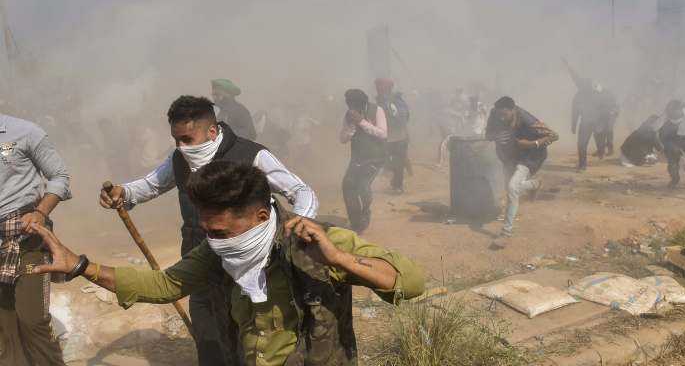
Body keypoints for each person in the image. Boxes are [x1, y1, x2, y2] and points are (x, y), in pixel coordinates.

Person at [28, 160, 425, 366]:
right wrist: (82, 265)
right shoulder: (216, 254)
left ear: (260, 217)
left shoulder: (314, 241)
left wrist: (338, 259)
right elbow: (164, 286)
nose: (212, 241)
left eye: (221, 231)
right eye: (206, 231)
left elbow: (409, 281)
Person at [99, 96, 318, 366]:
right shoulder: (180, 159)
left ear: (212, 131)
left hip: (247, 259)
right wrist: (126, 192)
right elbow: (153, 184)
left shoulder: (250, 155)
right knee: (208, 329)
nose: (181, 146)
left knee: (249, 329)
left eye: (188, 139)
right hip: (200, 254)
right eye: (176, 139)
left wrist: (299, 223)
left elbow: (300, 191)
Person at [0, 112, 71, 366]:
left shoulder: (26, 132)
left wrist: (40, 212)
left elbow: (60, 177)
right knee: (4, 328)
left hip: (27, 240)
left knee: (32, 319)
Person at [485, 96, 558, 236]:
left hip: (530, 157)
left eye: (504, 114)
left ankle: (506, 231)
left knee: (513, 188)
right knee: (510, 188)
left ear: (513, 110)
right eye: (499, 114)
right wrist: (495, 136)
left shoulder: (527, 119)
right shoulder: (494, 114)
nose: (501, 118)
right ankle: (535, 184)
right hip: (509, 157)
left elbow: (554, 135)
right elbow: (487, 134)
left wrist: (533, 143)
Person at [339, 88, 387, 233]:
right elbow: (342, 139)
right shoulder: (349, 115)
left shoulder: (377, 110)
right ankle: (356, 222)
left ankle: (365, 212)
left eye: (355, 105)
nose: (352, 108)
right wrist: (351, 127)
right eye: (350, 105)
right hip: (357, 158)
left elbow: (383, 134)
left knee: (362, 185)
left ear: (362, 103)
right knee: (347, 185)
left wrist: (362, 122)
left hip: (375, 157)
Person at [375, 78, 410, 194]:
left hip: (397, 137)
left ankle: (397, 185)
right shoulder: (383, 100)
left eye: (380, 86)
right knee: (386, 160)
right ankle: (396, 181)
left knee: (397, 162)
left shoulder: (393, 101)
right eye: (377, 86)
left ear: (388, 87)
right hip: (389, 136)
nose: (377, 88)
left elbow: (400, 117)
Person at [659, 100, 685, 188]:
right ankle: (675, 178)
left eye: (677, 111)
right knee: (673, 162)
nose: (675, 114)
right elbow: (664, 139)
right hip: (673, 143)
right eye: (673, 112)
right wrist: (673, 150)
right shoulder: (665, 125)